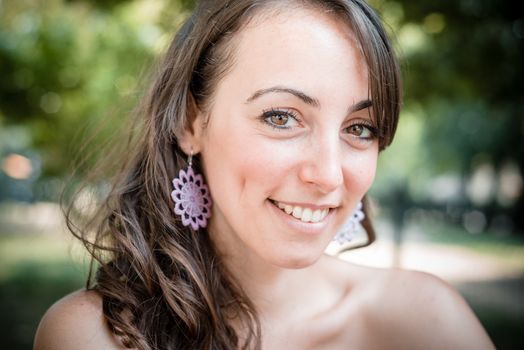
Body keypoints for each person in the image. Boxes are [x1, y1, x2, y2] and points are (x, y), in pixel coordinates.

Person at [34, 0, 496, 349]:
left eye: (359, 128)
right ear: (190, 122)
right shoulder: (94, 336)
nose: (329, 174)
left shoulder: (424, 322)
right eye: (281, 117)